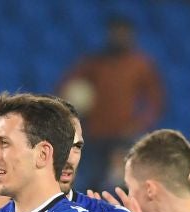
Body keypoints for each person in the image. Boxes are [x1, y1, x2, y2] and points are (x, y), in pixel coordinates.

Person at [56, 17, 164, 190]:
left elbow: (154, 100)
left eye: (122, 33)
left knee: (123, 183)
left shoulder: (140, 65)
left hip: (123, 135)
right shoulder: (94, 63)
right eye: (115, 32)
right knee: (93, 182)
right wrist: (74, 113)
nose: (118, 37)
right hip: (95, 133)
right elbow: (66, 87)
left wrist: (139, 123)